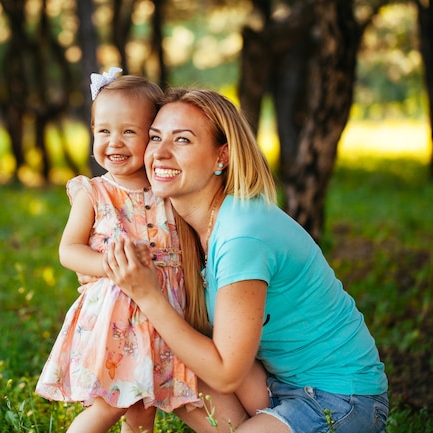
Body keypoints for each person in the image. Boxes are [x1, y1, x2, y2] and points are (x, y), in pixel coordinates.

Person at [103, 88, 389, 433]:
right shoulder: (184, 226)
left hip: (340, 399)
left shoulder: (242, 236)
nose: (160, 153)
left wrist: (147, 294)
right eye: (154, 137)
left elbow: (225, 374)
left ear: (221, 156)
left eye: (182, 140)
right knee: (166, 356)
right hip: (269, 387)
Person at [35, 68, 203, 433]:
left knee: (144, 409)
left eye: (129, 131)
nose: (115, 142)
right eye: (103, 131)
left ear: (153, 136)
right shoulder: (93, 193)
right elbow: (69, 251)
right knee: (109, 406)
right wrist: (111, 265)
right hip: (117, 319)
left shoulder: (169, 190)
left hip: (166, 316)